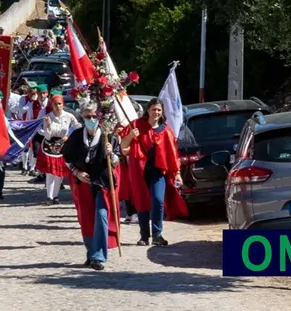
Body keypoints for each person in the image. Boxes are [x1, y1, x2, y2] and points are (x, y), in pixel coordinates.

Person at [121, 98, 188, 246]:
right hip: (139, 171)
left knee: (158, 200)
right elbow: (123, 146)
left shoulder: (166, 131)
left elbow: (172, 154)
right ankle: (144, 236)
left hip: (158, 171)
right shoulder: (136, 125)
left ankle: (157, 234)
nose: (156, 112)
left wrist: (177, 173)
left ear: (162, 112)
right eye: (153, 109)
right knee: (141, 201)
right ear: (148, 110)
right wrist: (131, 136)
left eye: (158, 110)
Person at [62, 103, 121, 271]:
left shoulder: (108, 136)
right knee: (86, 219)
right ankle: (90, 252)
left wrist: (112, 154)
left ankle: (98, 256)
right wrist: (76, 172)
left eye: (94, 116)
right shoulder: (76, 136)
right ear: (83, 118)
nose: (92, 119)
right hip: (83, 183)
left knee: (101, 216)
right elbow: (66, 157)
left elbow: (116, 162)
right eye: (88, 116)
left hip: (102, 183)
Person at [37, 92, 79, 204]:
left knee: (59, 174)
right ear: (52, 105)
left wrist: (69, 135)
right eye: (55, 104)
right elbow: (47, 135)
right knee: (50, 173)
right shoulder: (48, 117)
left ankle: (55, 196)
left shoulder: (69, 116)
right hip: (49, 146)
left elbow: (78, 127)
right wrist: (49, 125)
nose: (57, 106)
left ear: (62, 104)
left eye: (59, 104)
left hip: (63, 146)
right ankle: (49, 197)